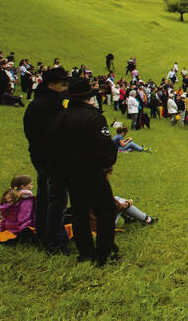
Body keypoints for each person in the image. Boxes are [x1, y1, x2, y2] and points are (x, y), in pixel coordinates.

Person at [47, 78, 118, 266]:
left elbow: (53, 147)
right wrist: (107, 164)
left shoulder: (59, 117)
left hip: (69, 172)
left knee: (79, 211)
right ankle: (103, 253)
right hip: (92, 171)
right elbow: (105, 147)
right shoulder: (93, 117)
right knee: (106, 211)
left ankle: (85, 252)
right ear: (88, 98)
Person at [21, 67, 72, 255]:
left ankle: (42, 234)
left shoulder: (37, 103)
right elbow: (59, 134)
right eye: (63, 84)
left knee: (44, 196)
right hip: (53, 158)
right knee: (57, 199)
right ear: (51, 85)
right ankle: (56, 241)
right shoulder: (52, 106)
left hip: (39, 156)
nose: (66, 88)